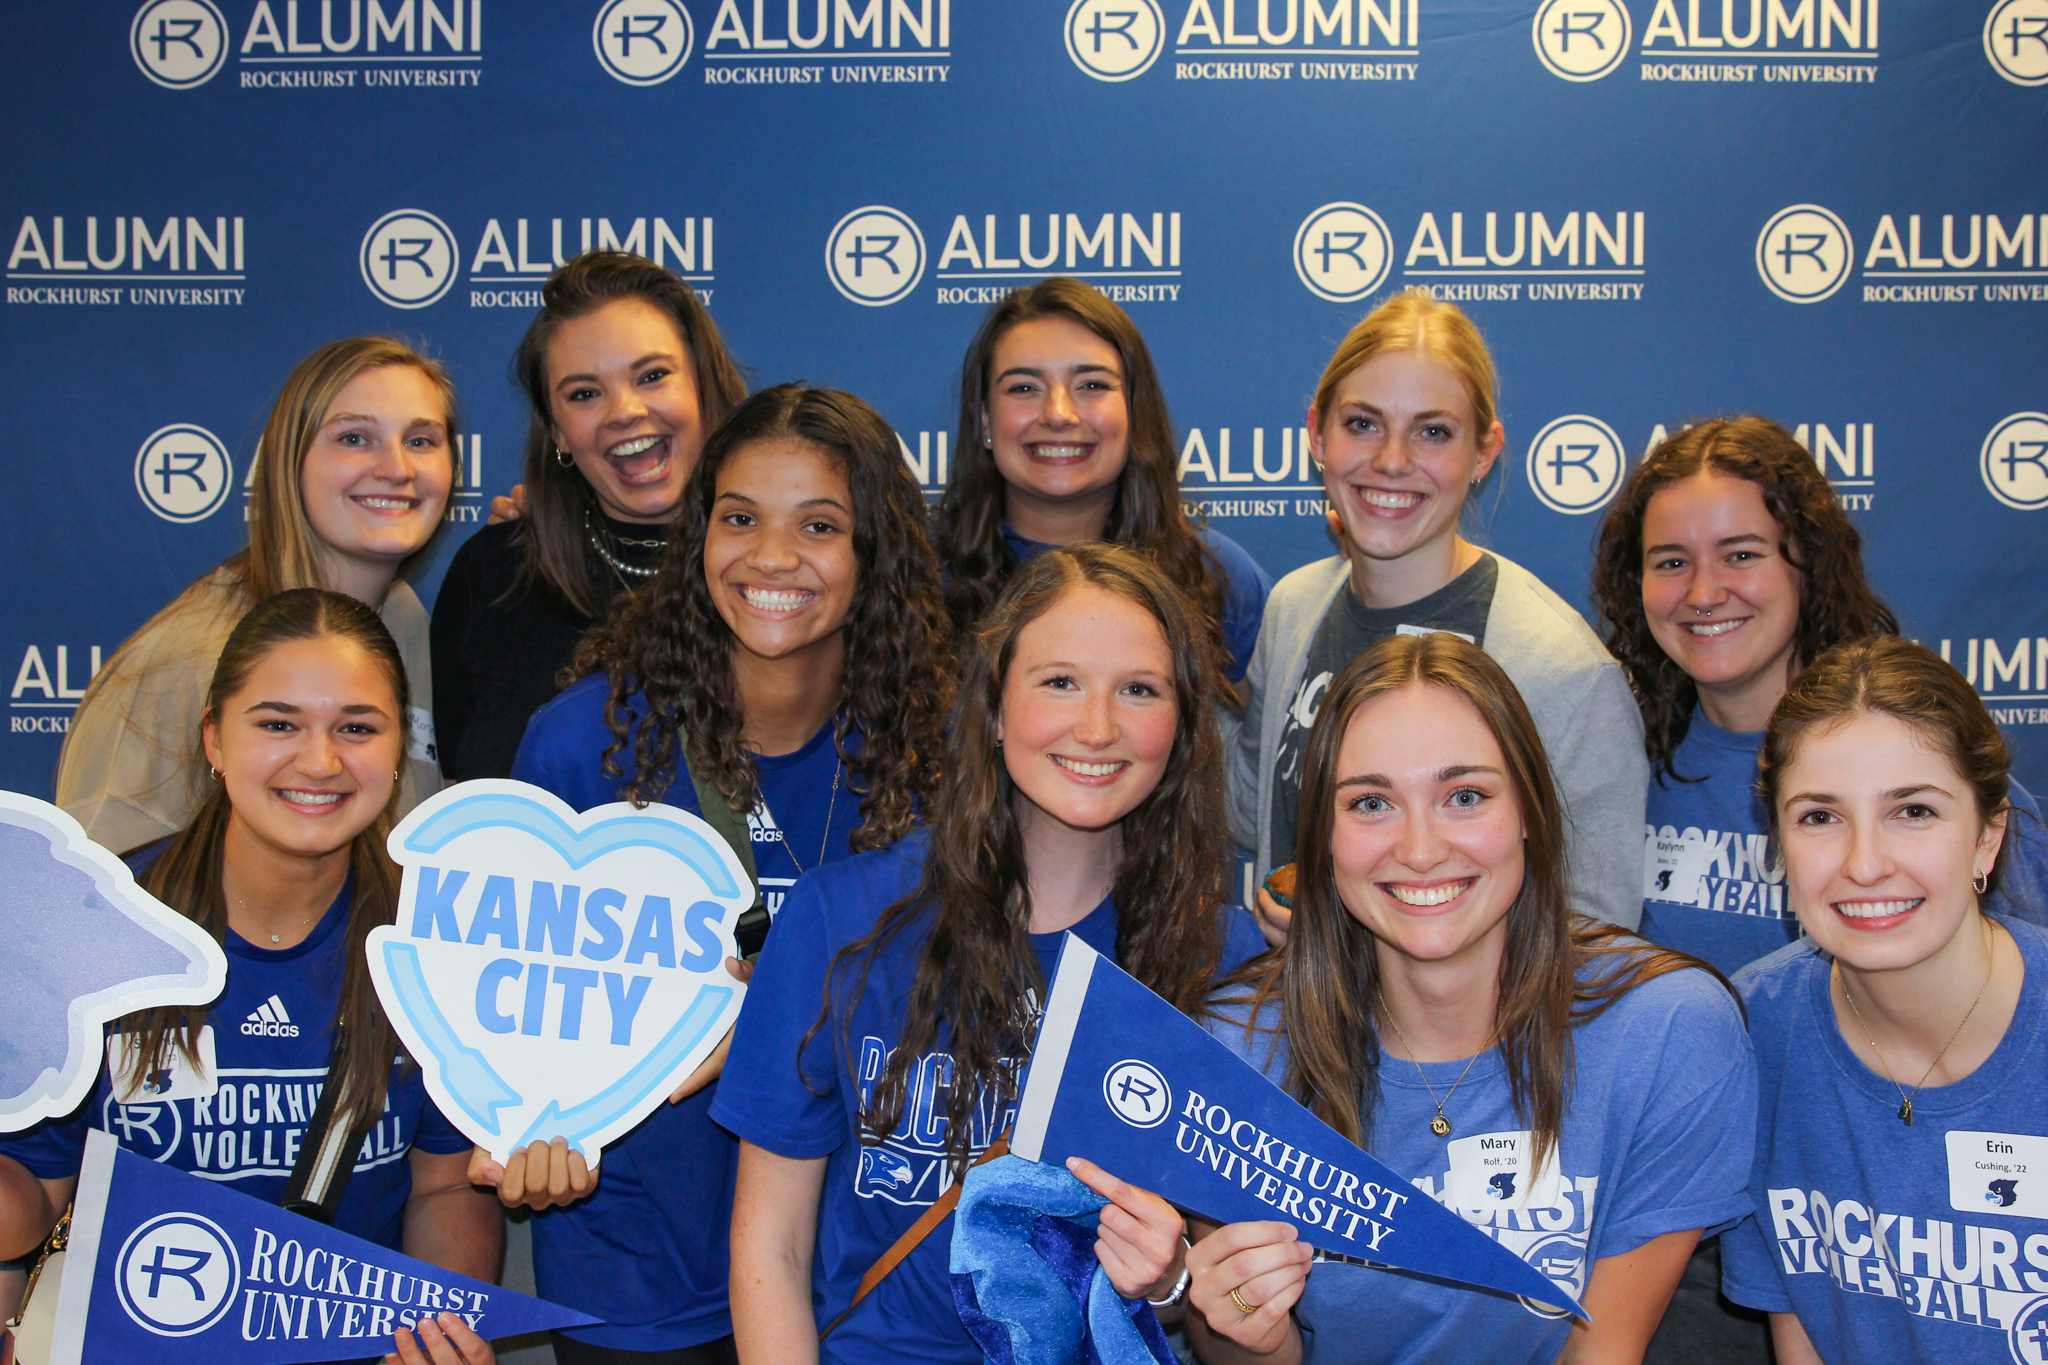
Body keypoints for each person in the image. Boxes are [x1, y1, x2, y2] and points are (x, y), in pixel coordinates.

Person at [485, 383, 953, 1364]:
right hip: (639, 1264)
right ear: (698, 537)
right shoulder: (582, 745)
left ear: (875, 557)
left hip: (856, 1267)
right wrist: (522, 1127)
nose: (772, 557)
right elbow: (518, 1009)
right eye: (739, 518)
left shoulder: (934, 756)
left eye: (819, 524)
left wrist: (791, 1004)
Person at [714, 544, 1270, 1364]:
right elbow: (772, 1247)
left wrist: (1172, 1281)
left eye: (1140, 690)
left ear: (1183, 726)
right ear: (997, 708)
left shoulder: (1229, 962)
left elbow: (1236, 1299)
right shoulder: (841, 920)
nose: (1097, 726)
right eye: (1059, 681)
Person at [1183, 632, 1754, 1365]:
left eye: (1464, 796)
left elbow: (1604, 1349)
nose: (1420, 848)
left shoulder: (1668, 1029)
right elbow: (1238, 1350)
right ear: (1323, 834)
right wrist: (1249, 1330)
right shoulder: (1234, 1050)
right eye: (1371, 802)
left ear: (1529, 809)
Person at [0, 589, 501, 1365]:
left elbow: (442, 1187)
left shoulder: (434, 941)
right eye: (277, 723)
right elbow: (30, 1207)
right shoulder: (102, 927)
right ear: (214, 738)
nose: (320, 760)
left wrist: (435, 1332)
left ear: (399, 746)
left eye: (358, 728)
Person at [1234, 289, 1645, 941]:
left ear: (1483, 452)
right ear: (1317, 433)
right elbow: (1249, 810)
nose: (1392, 459)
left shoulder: (1557, 667)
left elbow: (1596, 933)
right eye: (1362, 423)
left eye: (1433, 431)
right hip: (1295, 1026)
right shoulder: (1295, 606)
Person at [1592, 415, 2048, 978]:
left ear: (1810, 565)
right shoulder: (1613, 765)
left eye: (1741, 555)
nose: (1704, 592)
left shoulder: (1935, 763)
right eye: (1672, 562)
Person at [1720, 636, 2044, 1364]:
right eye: (1820, 817)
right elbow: (1799, 1320)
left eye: (1915, 811)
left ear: (1988, 837)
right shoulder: (1751, 1033)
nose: (1864, 863)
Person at [57, 337, 454, 854]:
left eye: (421, 441)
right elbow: (95, 891)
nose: (397, 468)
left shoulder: (405, 620)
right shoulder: (188, 656)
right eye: (354, 438)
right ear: (289, 463)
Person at [429, 251, 746, 781]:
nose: (623, 411)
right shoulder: (493, 575)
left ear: (702, 385)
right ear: (557, 432)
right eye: (584, 393)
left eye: (652, 375)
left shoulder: (786, 571)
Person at [934, 276, 1271, 688]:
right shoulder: (917, 577)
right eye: (1024, 387)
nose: (1058, 414)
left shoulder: (1221, 581)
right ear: (985, 420)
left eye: (1091, 385)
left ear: (1134, 411)